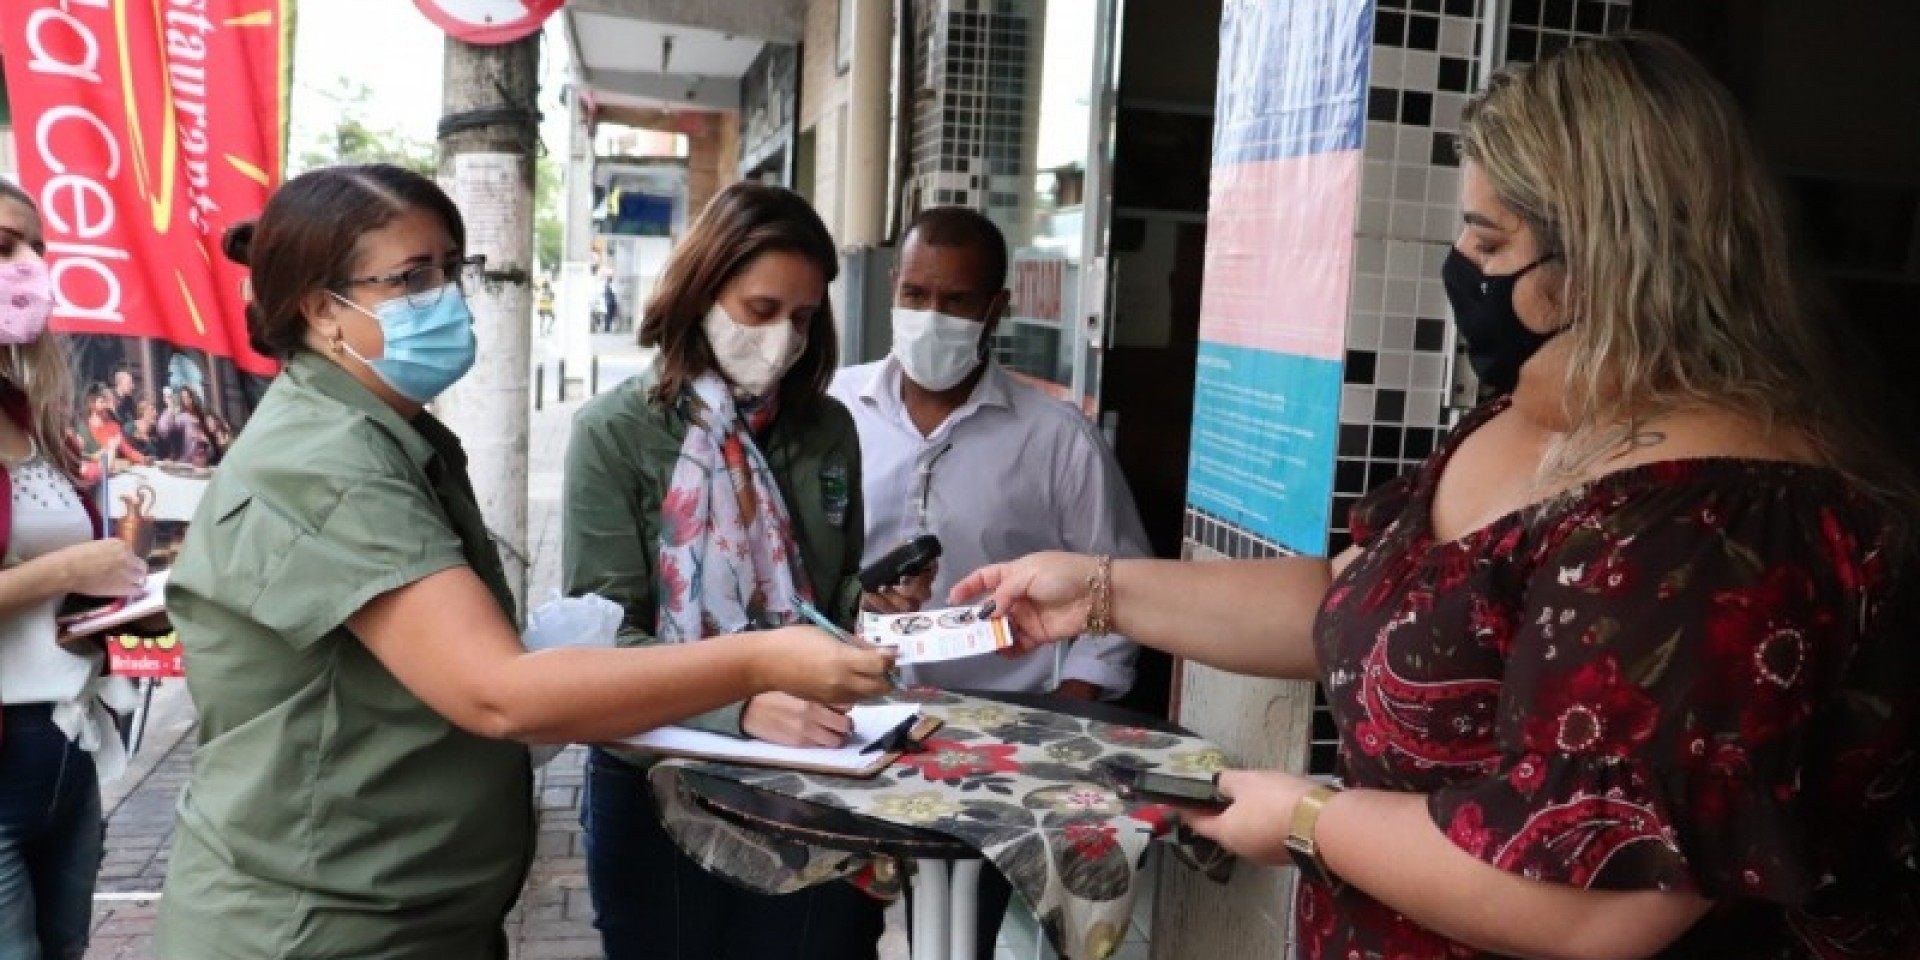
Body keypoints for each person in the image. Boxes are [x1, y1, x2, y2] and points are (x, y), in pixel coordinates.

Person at [955, 34, 1920, 959]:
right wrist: (1093, 592)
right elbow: (1352, 601)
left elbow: (1600, 907)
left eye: (1490, 239)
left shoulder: (1719, 526)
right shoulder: (1528, 420)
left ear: (1610, 264)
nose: (1461, 261)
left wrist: (1305, 818)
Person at [155, 164, 894, 960]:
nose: (445, 299)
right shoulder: (327, 460)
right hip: (321, 927)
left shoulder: (394, 443)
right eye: (411, 279)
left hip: (409, 912)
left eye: (449, 270)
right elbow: (498, 693)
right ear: (320, 312)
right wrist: (755, 666)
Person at [565, 181, 927, 960]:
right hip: (660, 779)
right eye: (761, 311)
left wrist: (879, 607)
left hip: (812, 771)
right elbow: (598, 651)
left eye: (802, 317)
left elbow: (827, 604)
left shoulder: (827, 429)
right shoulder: (615, 434)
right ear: (701, 291)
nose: (785, 338)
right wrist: (740, 705)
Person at [827, 205, 1152, 959]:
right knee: (833, 929)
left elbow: (1120, 593)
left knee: (959, 934)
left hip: (992, 747)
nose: (929, 317)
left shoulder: (1055, 438)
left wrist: (1051, 725)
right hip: (847, 724)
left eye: (956, 300)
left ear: (997, 309)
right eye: (914, 295)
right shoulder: (832, 409)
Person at [0, 178, 149, 960]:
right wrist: (67, 566)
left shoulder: (28, 414)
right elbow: (56, 568)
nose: (27, 265)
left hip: (66, 740)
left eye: (35, 247)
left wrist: (127, 601)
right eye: (3, 246)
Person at [81, 384, 146, 467]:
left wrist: (143, 459)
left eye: (107, 401)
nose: (107, 405)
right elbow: (84, 457)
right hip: (91, 473)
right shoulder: (83, 428)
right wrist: (109, 448)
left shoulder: (113, 426)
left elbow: (126, 449)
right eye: (102, 401)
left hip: (111, 472)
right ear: (91, 403)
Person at [156, 387, 215, 468]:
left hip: (203, 464)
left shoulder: (202, 417)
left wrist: (206, 442)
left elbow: (211, 448)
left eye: (187, 397)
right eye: (183, 398)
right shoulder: (182, 417)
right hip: (186, 465)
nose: (186, 400)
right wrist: (170, 408)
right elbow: (163, 430)